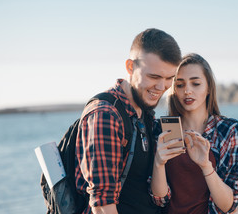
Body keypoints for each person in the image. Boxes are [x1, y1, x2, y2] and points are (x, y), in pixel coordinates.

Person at [75, 28, 182, 214]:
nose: (161, 87)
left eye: (168, 79)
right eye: (154, 77)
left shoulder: (145, 114)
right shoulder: (105, 114)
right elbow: (102, 206)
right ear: (130, 67)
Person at [150, 53, 238, 214]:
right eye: (180, 85)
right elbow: (159, 200)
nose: (187, 91)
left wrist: (206, 165)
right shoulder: (159, 129)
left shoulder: (230, 130)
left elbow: (228, 205)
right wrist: (159, 163)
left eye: (195, 83)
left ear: (208, 87)